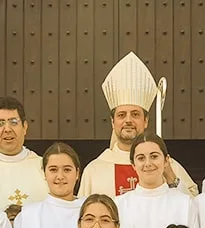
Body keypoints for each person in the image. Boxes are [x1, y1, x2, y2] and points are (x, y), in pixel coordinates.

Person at [80, 52, 197, 197]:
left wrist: (170, 177)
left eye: (135, 114)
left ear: (146, 120)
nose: (128, 120)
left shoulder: (167, 164)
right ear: (112, 122)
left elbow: (192, 204)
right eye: (121, 115)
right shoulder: (94, 170)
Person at [114, 133, 202, 228]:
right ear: (133, 165)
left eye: (154, 156)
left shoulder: (184, 203)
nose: (148, 163)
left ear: (166, 161)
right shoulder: (118, 205)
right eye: (141, 158)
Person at [0, 96, 49, 218]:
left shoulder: (43, 167)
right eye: (0, 124)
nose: (7, 129)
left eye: (13, 122)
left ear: (25, 127)